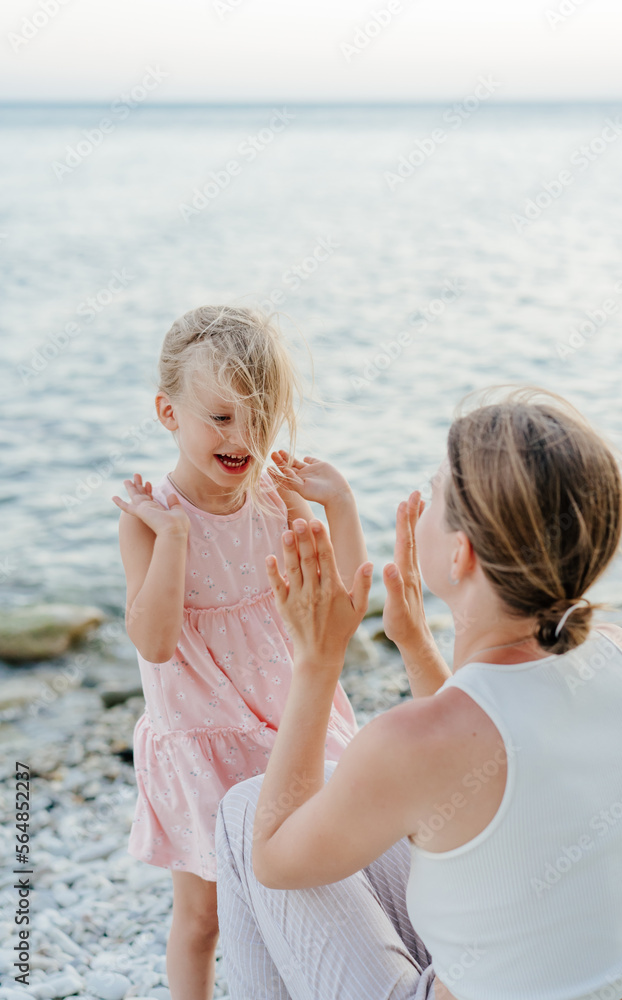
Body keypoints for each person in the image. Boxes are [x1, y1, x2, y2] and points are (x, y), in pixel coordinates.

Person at [215, 386, 622, 1000]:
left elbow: (273, 858)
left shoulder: (412, 745)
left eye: (434, 492)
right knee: (355, 804)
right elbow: (488, 768)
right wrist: (415, 642)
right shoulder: (620, 655)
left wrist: (318, 661)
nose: (420, 504)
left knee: (246, 814)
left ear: (460, 554)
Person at [111, 304, 367, 1000]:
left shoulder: (276, 501)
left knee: (306, 883)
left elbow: (341, 604)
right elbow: (155, 642)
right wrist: (173, 538)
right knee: (203, 917)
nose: (243, 438)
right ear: (168, 412)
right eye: (221, 417)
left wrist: (340, 506)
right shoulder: (149, 521)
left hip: (289, 726)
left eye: (260, 418)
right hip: (202, 740)